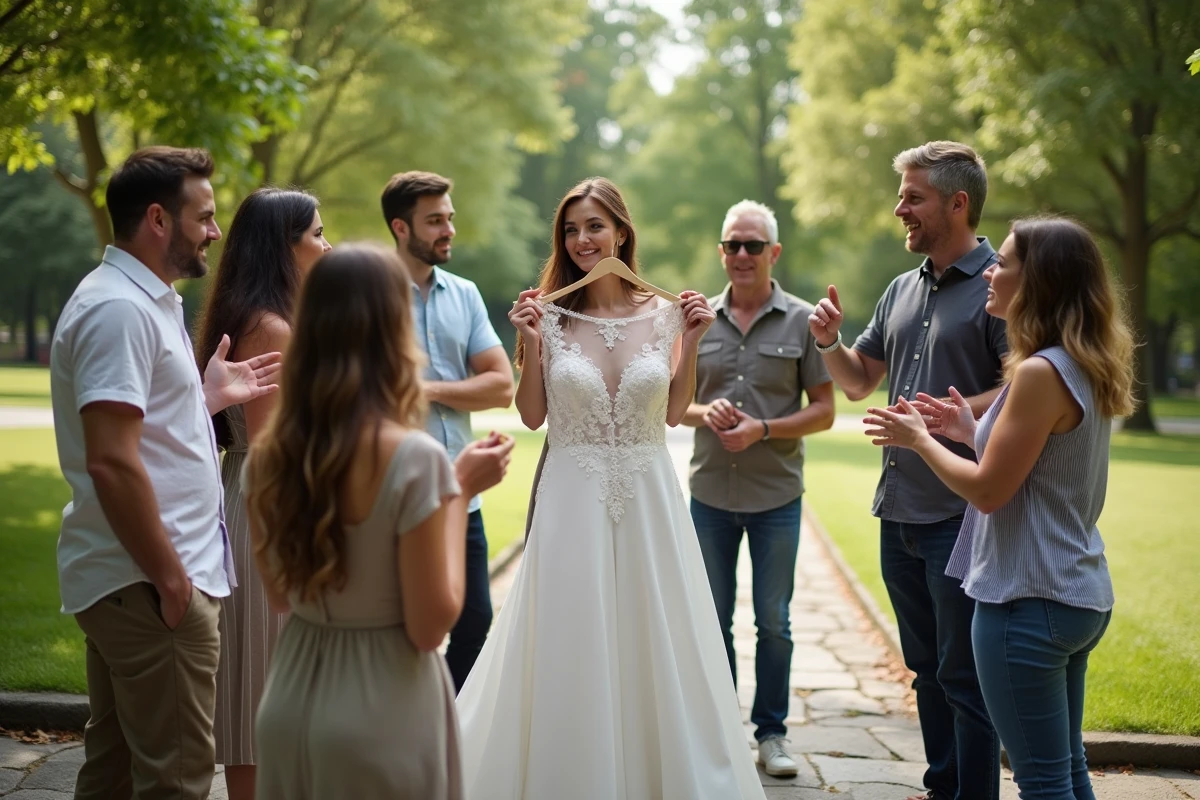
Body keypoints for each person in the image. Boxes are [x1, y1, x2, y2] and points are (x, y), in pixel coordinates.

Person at [457, 177, 767, 799]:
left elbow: (676, 414)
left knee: (656, 632)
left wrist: (695, 341)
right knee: (570, 628)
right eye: (571, 230)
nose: (581, 240)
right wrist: (529, 340)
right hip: (572, 495)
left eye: (594, 226)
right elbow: (531, 416)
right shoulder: (546, 315)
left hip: (650, 496)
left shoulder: (666, 316)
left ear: (622, 231)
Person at [863, 217, 1134, 800]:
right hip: (1075, 591)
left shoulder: (1038, 372)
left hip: (1024, 601)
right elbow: (1039, 459)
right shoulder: (1077, 361)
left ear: (1038, 281)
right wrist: (969, 427)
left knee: (1041, 782)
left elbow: (987, 491)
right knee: (1066, 771)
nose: (990, 270)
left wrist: (920, 440)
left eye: (1004, 263)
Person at [49, 146, 282, 800]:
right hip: (150, 583)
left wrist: (202, 399)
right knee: (175, 782)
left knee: (115, 771)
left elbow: (138, 431)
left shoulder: (147, 301)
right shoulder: (118, 310)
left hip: (137, 580)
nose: (214, 231)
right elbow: (112, 460)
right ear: (157, 219)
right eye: (203, 216)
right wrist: (172, 580)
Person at [246, 243, 515, 800]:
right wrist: (460, 490)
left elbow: (278, 595)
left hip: (290, 702)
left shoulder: (268, 456)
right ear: (394, 332)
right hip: (382, 709)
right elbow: (429, 627)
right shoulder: (415, 461)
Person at [808, 141, 1005, 800]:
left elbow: (1029, 388)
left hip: (962, 515)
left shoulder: (1003, 285)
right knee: (925, 668)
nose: (900, 209)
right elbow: (861, 381)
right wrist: (830, 342)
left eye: (913, 197)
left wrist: (943, 419)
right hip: (899, 514)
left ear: (958, 202)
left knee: (965, 678)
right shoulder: (901, 287)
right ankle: (941, 786)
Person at [682, 199, 836, 777]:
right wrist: (707, 413)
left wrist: (764, 428)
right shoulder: (695, 319)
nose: (741, 255)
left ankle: (771, 735)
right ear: (721, 251)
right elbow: (672, 406)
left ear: (774, 252)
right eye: (731, 245)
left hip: (777, 497)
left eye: (753, 245)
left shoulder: (803, 321)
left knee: (773, 620)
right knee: (711, 616)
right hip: (710, 497)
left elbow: (823, 411)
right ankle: (721, 732)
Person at [192, 187, 331, 800]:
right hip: (271, 506)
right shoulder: (270, 327)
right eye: (318, 235)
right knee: (263, 684)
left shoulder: (263, 315)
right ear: (286, 245)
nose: (329, 246)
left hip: (255, 494)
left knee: (273, 683)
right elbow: (281, 442)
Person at [380, 170, 515, 690]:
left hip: (465, 493)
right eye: (434, 221)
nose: (448, 230)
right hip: (392, 495)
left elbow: (501, 385)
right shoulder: (369, 296)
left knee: (474, 620)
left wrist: (426, 389)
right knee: (398, 628)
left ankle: (448, 732)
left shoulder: (466, 294)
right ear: (400, 227)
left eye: (449, 219)